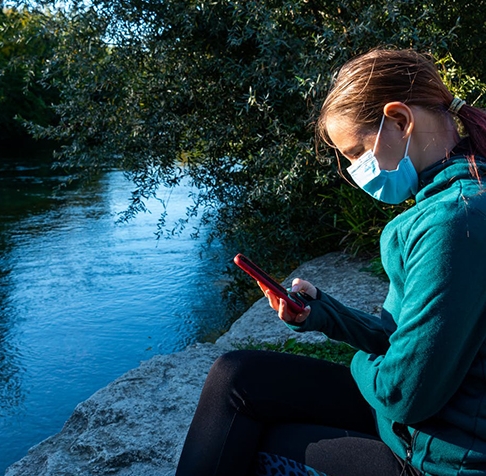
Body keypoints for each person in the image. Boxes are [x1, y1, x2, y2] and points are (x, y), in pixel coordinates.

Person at [174, 48, 486, 476]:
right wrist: (323, 313)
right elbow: (403, 338)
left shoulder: (454, 222)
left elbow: (401, 394)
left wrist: (358, 363)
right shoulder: (459, 201)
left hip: (439, 457)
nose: (357, 170)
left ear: (399, 120)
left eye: (357, 152)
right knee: (237, 376)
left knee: (251, 441)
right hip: (430, 424)